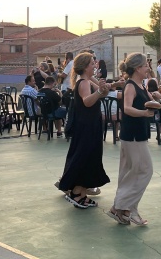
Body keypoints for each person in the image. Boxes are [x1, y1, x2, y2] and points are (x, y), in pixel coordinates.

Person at [107, 53, 161, 226]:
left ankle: (127, 211)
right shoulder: (130, 86)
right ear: (138, 68)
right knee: (145, 170)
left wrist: (156, 97)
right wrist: (145, 113)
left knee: (129, 172)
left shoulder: (141, 85)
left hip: (136, 134)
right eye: (146, 65)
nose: (148, 68)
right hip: (133, 135)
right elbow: (127, 109)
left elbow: (151, 102)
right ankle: (119, 206)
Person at [57, 52, 110, 208]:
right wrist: (100, 91)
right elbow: (87, 101)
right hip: (87, 126)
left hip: (90, 125)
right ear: (86, 66)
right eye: (92, 63)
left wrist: (104, 88)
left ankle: (82, 194)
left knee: (90, 157)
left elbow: (103, 92)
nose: (95, 66)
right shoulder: (84, 82)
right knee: (85, 157)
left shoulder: (88, 80)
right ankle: (76, 192)